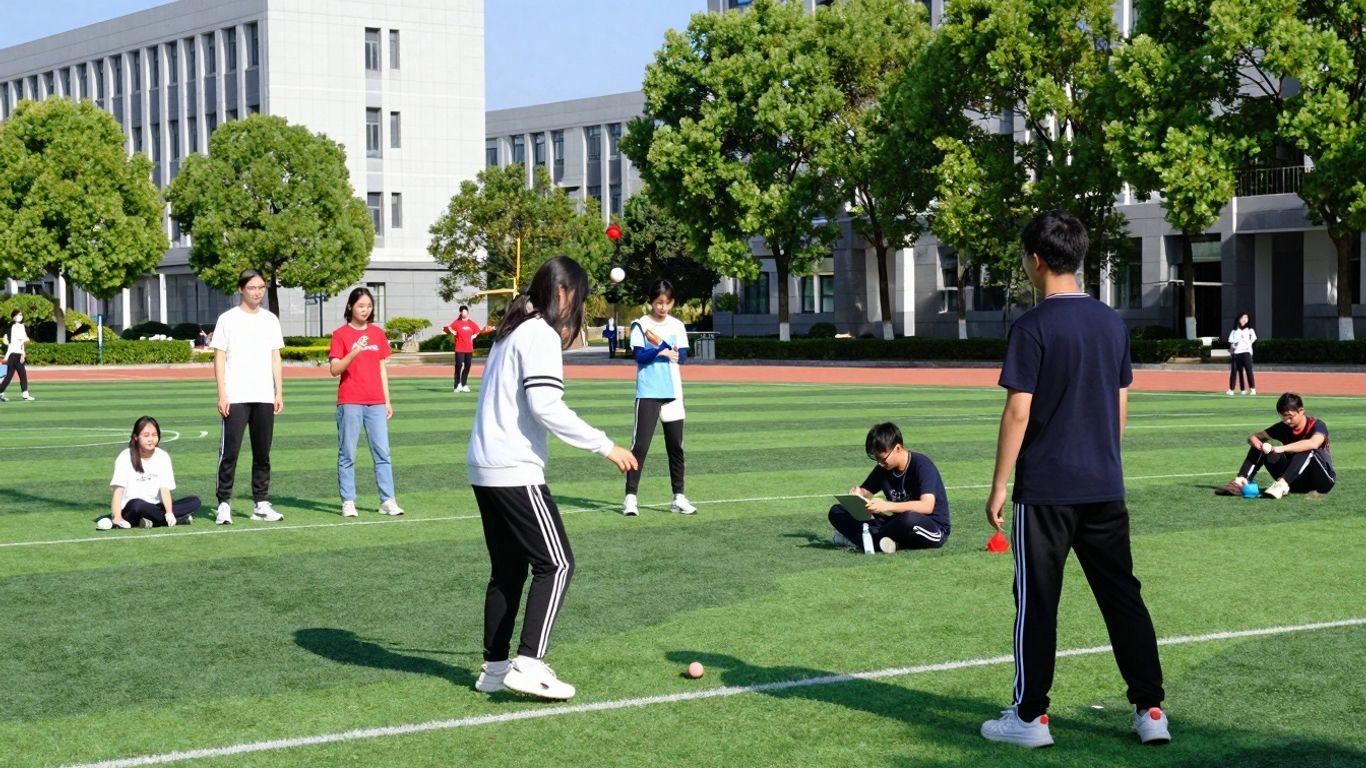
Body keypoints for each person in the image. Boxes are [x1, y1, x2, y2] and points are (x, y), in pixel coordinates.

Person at [983, 210, 1168, 748]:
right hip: (1103, 484)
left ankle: (1031, 717)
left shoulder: (1032, 326)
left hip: (1045, 490)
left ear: (1035, 260)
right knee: (1122, 596)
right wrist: (1105, 459)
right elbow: (1120, 402)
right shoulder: (1111, 322)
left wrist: (998, 485)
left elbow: (1019, 411)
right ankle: (1150, 709)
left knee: (1038, 602)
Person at [466, 255, 637, 701]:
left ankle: (495, 667)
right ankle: (529, 662)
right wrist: (606, 445)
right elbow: (545, 405)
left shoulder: (512, 330)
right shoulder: (537, 332)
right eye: (577, 296)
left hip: (485, 466)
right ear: (562, 292)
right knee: (557, 563)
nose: (577, 305)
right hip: (513, 466)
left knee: (508, 570)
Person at [211, 269, 286, 525]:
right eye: (252, 287)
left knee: (262, 453)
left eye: (261, 288)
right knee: (229, 452)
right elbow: (219, 357)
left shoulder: (270, 320)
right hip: (236, 395)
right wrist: (223, 393)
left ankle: (260, 503)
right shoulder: (227, 319)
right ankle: (223, 503)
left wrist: (279, 391)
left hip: (263, 395)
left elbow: (276, 357)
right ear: (241, 289)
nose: (257, 292)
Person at [622, 279, 696, 517]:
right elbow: (640, 357)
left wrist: (672, 352)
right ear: (651, 302)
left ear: (672, 302)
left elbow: (682, 356)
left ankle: (678, 497)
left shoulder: (677, 325)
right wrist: (660, 350)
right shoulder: (640, 325)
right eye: (658, 303)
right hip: (648, 393)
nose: (663, 307)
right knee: (640, 447)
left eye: (667, 303)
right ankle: (630, 499)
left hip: (673, 392)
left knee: (676, 447)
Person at [328, 287, 403, 518]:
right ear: (350, 306)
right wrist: (353, 353)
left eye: (369, 306)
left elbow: (382, 368)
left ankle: (387, 500)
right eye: (361, 306)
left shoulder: (378, 334)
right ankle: (348, 501)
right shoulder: (340, 334)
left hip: (376, 402)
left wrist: (387, 400)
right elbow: (334, 369)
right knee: (347, 453)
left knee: (382, 453)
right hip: (350, 400)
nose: (365, 310)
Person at [828, 422, 950, 554]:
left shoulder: (922, 465)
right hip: (895, 522)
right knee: (837, 511)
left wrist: (886, 506)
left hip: (931, 527)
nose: (880, 463)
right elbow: (865, 492)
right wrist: (858, 495)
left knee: (908, 519)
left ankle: (864, 540)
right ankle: (883, 542)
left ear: (898, 448)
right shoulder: (883, 468)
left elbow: (927, 506)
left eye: (882, 459)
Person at [1214, 392, 1335, 499]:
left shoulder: (1317, 425)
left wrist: (1279, 449)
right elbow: (1254, 437)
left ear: (1301, 411)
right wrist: (1257, 443)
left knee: (1308, 450)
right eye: (1283, 418)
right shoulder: (1283, 427)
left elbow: (1313, 443)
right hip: (1294, 481)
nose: (1287, 421)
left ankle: (1281, 484)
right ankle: (1241, 482)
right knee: (1263, 445)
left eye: (1290, 416)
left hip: (1321, 481)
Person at [105, 416, 200, 529]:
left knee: (194, 502)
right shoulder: (125, 456)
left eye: (154, 435)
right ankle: (172, 520)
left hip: (155, 506)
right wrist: (117, 518)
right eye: (146, 435)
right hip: (131, 508)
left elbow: (164, 489)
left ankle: (150, 520)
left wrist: (169, 512)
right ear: (136, 437)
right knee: (137, 505)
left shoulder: (163, 456)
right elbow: (118, 491)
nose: (150, 439)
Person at [444, 305, 483, 393]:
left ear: (467, 312)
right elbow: (449, 328)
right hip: (459, 348)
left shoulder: (471, 323)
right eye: (462, 311)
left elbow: (478, 330)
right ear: (460, 313)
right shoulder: (456, 322)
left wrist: (474, 336)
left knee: (468, 366)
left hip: (469, 349)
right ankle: (458, 384)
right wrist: (451, 331)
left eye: (465, 311)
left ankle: (464, 384)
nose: (464, 313)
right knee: (459, 366)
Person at [0, 309, 35, 402]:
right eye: (18, 314)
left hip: (16, 354)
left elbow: (20, 341)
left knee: (16, 375)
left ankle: (25, 394)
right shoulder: (15, 328)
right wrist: (8, 356)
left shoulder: (17, 327)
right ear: (14, 317)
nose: (20, 316)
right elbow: (16, 342)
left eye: (21, 314)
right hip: (15, 354)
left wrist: (22, 353)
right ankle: (24, 395)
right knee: (13, 376)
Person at [1226, 313, 1257, 396]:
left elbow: (1253, 340)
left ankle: (1252, 389)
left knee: (1248, 371)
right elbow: (1231, 343)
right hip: (1236, 354)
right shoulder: (1234, 331)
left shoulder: (1250, 330)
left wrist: (1247, 343)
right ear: (1238, 319)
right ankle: (1231, 389)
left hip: (1246, 353)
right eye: (1242, 317)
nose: (1244, 319)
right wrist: (1232, 349)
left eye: (1246, 317)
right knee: (1234, 371)